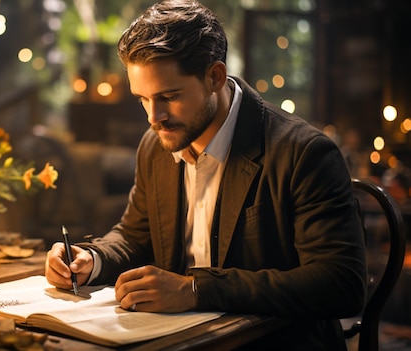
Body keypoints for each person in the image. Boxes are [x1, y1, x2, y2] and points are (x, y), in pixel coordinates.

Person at [45, 0, 367, 349]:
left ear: (215, 76)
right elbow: (137, 235)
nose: (155, 118)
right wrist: (91, 259)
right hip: (180, 339)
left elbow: (340, 284)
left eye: (169, 96)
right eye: (143, 99)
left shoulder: (303, 152)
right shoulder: (155, 147)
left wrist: (195, 289)